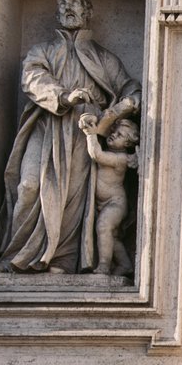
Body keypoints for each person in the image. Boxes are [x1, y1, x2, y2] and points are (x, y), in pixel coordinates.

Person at [0, 0, 141, 276]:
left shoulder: (104, 58)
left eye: (74, 3)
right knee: (29, 186)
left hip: (82, 134)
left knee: (72, 199)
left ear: (88, 12)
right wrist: (64, 96)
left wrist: (127, 104)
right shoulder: (42, 51)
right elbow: (32, 78)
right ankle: (15, 256)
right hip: (46, 126)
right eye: (62, 3)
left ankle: (61, 260)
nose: (67, 7)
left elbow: (129, 87)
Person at [79, 112, 138, 276]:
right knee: (112, 236)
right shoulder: (112, 151)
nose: (114, 135)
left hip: (115, 203)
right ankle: (125, 264)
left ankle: (104, 265)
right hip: (103, 203)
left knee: (103, 227)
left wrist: (91, 135)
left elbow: (97, 155)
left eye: (120, 136)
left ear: (127, 143)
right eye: (114, 131)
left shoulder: (121, 159)